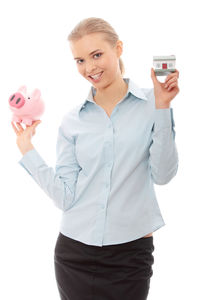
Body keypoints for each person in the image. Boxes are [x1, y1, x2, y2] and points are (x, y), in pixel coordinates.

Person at [11, 17, 179, 300]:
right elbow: (65, 197)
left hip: (130, 255)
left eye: (97, 55)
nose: (90, 68)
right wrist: (27, 149)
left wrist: (163, 107)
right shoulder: (72, 121)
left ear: (119, 49)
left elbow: (163, 175)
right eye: (80, 60)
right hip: (74, 252)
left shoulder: (153, 103)